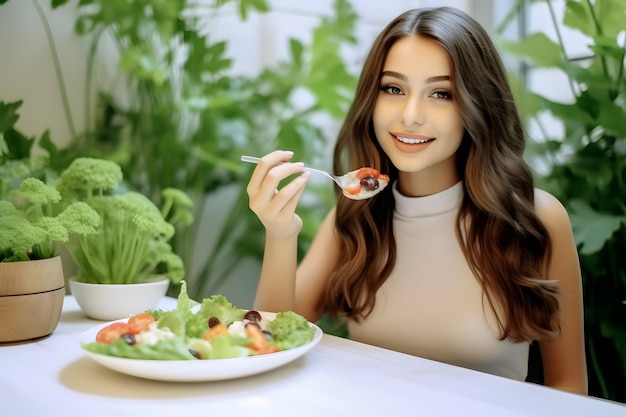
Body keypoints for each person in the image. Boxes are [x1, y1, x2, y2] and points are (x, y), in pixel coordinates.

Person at [244, 6, 587, 395]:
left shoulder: (536, 219)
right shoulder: (358, 214)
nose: (410, 115)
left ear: (477, 105)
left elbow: (568, 384)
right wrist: (280, 233)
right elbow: (269, 342)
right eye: (394, 89)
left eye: (441, 94)